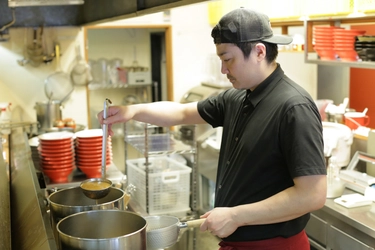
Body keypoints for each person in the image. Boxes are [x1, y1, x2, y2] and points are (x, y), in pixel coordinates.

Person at [97, 8, 327, 250]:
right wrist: (131, 111)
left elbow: (312, 194)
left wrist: (236, 215)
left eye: (228, 59)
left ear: (259, 52)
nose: (223, 70)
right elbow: (182, 112)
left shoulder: (293, 107)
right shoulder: (237, 98)